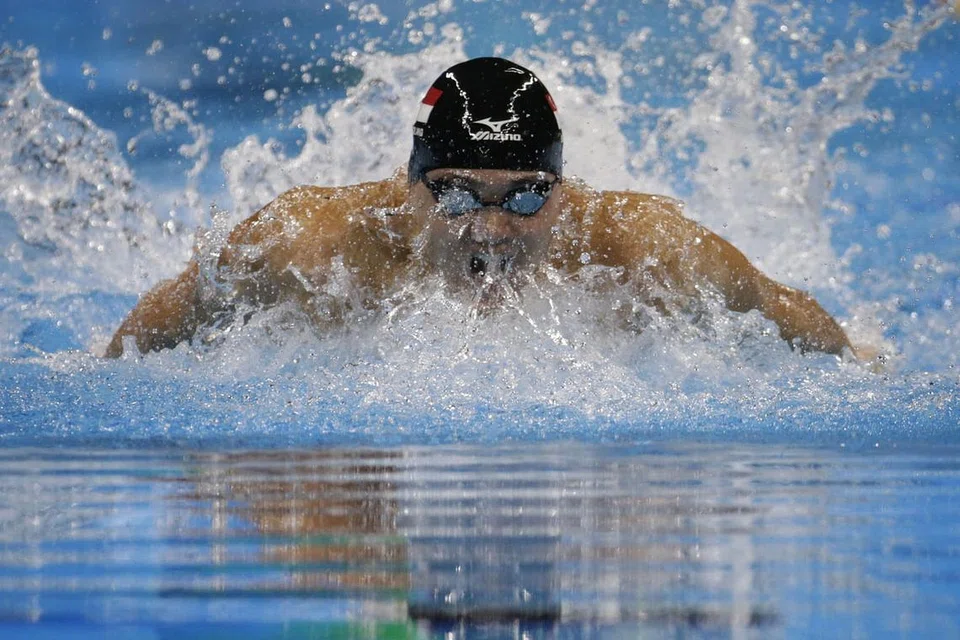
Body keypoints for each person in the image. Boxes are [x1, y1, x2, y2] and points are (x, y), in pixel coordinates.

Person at [105, 57, 861, 359]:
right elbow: (155, 332)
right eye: (457, 192)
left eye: (527, 197)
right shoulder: (310, 249)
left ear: (562, 196)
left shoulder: (649, 254)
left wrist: (867, 365)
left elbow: (798, 326)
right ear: (408, 187)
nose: (490, 228)